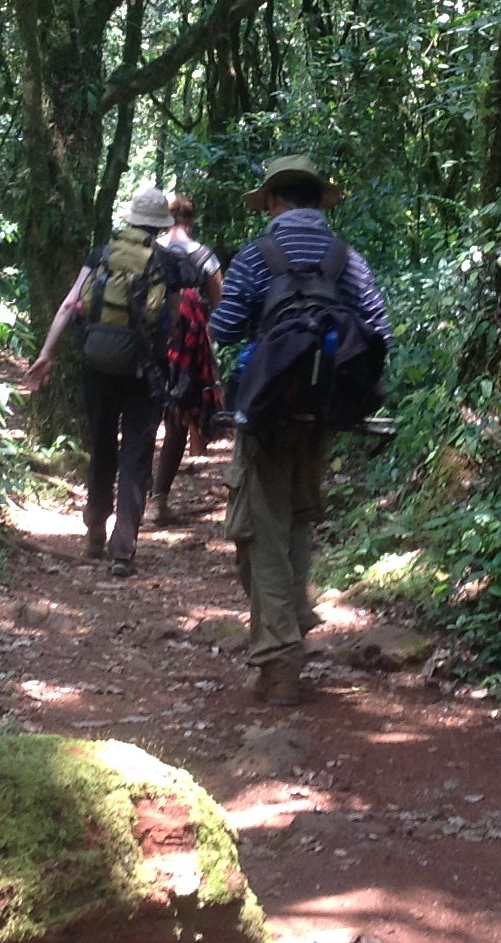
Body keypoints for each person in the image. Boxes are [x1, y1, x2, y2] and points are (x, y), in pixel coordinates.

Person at [207, 154, 392, 705]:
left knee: (258, 531)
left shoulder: (257, 255)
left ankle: (281, 660)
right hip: (325, 412)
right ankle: (286, 638)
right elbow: (378, 329)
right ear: (317, 200)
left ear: (272, 201)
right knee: (296, 524)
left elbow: (224, 327)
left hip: (267, 414)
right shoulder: (347, 258)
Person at [24, 187, 193, 577]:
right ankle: (123, 549)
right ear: (159, 226)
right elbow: (173, 321)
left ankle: (95, 530)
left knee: (102, 444)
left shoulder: (102, 254)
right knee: (136, 452)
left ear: (132, 219)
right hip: (144, 370)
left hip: (97, 364)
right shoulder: (167, 264)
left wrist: (46, 354)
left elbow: (70, 303)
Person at [150, 193, 223, 523]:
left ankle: (134, 498)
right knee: (177, 420)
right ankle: (158, 501)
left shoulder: (152, 251)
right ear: (191, 221)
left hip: (151, 343)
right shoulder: (205, 256)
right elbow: (219, 306)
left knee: (144, 420)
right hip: (188, 347)